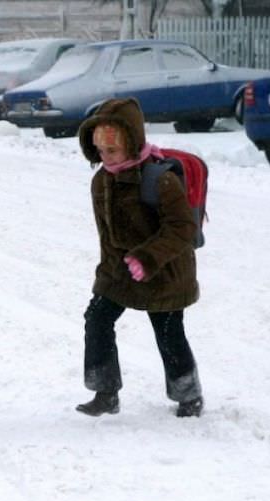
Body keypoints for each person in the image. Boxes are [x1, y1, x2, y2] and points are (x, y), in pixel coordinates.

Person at [75, 98, 204, 418]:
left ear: (132, 144)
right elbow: (107, 235)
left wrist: (147, 258)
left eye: (113, 151)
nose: (106, 159)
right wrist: (107, 274)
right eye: (101, 152)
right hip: (119, 270)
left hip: (166, 271)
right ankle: (106, 392)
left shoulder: (160, 180)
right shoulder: (101, 180)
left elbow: (182, 229)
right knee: (97, 319)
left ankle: (189, 397)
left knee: (168, 332)